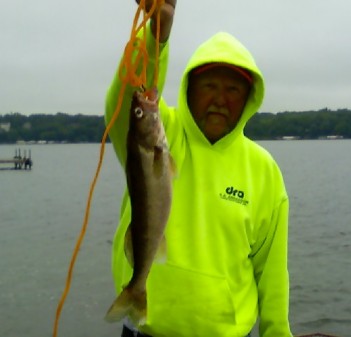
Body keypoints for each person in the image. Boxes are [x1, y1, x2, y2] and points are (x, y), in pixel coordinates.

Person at [105, 0, 292, 336]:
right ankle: (137, 291)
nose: (221, 99)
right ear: (189, 90)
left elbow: (272, 275)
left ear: (249, 98)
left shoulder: (264, 170)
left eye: (233, 89)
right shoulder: (163, 135)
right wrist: (156, 33)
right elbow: (130, 93)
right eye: (210, 86)